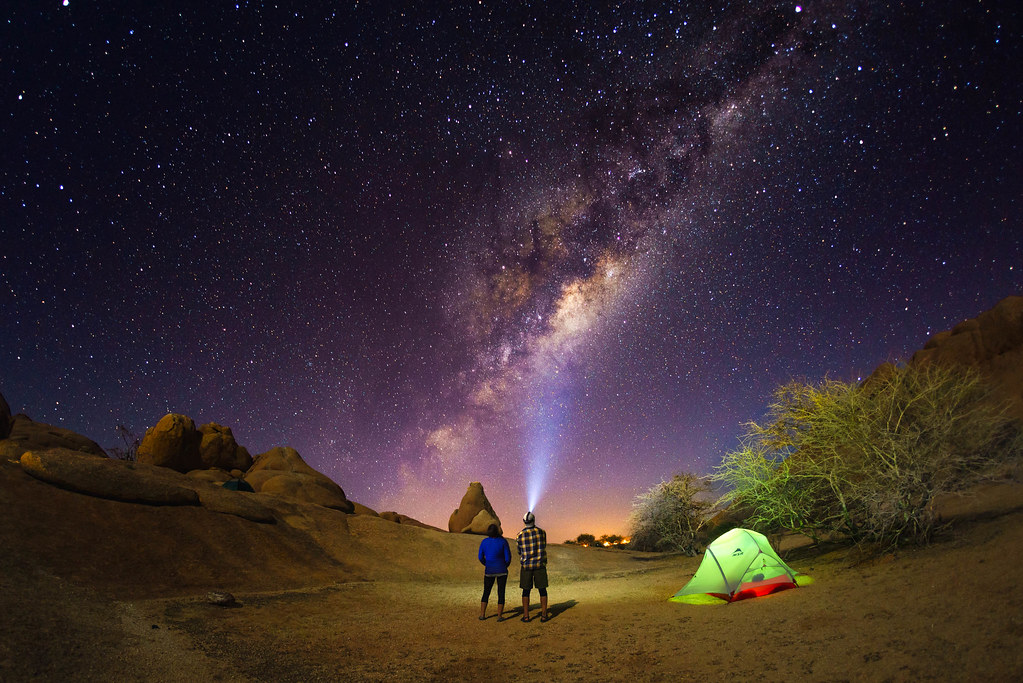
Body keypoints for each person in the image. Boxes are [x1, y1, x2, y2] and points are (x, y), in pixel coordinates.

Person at [516, 511, 549, 622]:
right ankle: (544, 615)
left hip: (526, 566)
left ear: (524, 521)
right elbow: (543, 545)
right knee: (542, 590)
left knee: (526, 591)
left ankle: (526, 616)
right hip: (540, 565)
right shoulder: (542, 532)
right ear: (534, 520)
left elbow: (519, 551)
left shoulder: (519, 535)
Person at [478, 523, 511, 621]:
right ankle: (499, 616)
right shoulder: (503, 541)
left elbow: (480, 557)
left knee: (486, 592)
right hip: (502, 570)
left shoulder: (484, 542)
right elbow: (508, 558)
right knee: (501, 593)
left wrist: (487, 564)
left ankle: (482, 615)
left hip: (489, 570)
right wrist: (504, 565)